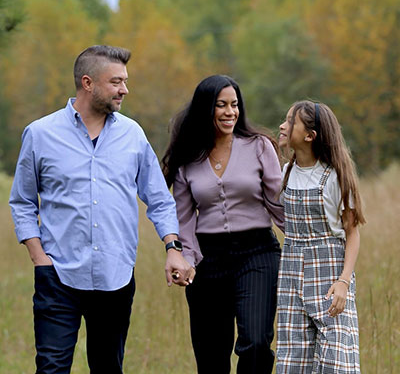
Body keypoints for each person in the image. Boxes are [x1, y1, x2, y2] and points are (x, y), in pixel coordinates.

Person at [9, 45, 193, 374]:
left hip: (115, 276)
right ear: (88, 82)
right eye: (116, 82)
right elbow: (22, 201)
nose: (125, 89)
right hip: (57, 275)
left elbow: (159, 199)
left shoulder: (132, 135)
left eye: (125, 81)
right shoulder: (40, 134)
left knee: (108, 367)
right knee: (51, 368)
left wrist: (173, 248)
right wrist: (39, 257)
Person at [162, 74, 285, 374]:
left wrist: (309, 239)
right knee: (211, 356)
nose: (230, 112)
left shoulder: (259, 147)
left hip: (257, 253)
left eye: (235, 105)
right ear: (206, 109)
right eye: (221, 105)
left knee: (256, 342)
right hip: (208, 259)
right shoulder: (188, 158)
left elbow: (278, 202)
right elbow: (184, 216)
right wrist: (186, 257)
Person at [276, 100, 366, 373]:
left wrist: (343, 282)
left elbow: (352, 233)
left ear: (309, 135)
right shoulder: (286, 173)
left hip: (330, 277)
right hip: (292, 277)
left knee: (335, 362)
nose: (282, 125)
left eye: (291, 121)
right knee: (293, 361)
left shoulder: (335, 178)